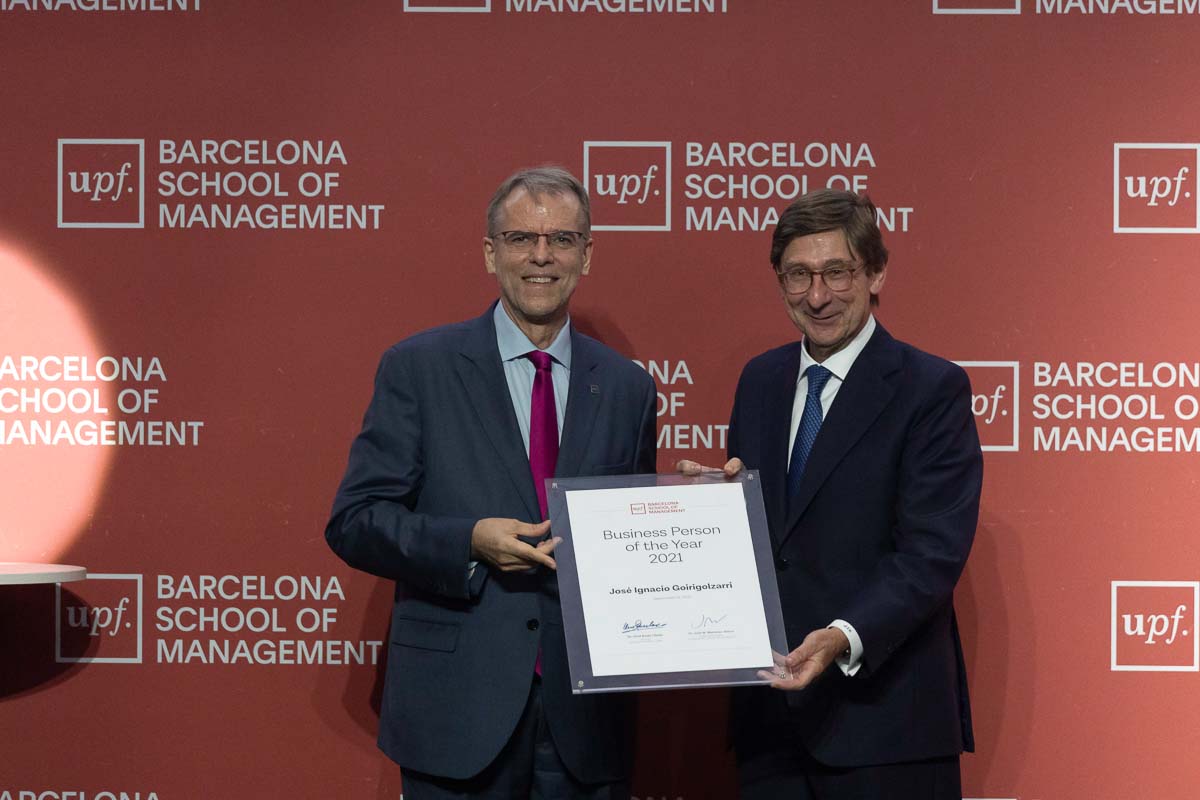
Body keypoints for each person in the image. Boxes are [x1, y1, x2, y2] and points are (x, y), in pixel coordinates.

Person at [326, 166, 657, 799]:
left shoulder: (628, 388)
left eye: (561, 239)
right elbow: (356, 520)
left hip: (585, 719)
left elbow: (632, 539)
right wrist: (468, 542)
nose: (541, 256)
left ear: (587, 254)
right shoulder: (418, 368)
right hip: (456, 709)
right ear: (490, 252)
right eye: (519, 239)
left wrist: (687, 506)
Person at [681, 189, 982, 799]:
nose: (817, 296)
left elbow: (931, 554)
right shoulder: (760, 381)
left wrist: (842, 635)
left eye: (837, 272)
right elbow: (776, 536)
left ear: (875, 273)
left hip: (885, 724)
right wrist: (713, 513)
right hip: (771, 727)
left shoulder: (930, 389)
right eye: (798, 275)